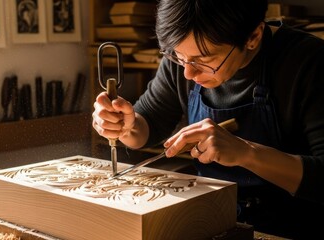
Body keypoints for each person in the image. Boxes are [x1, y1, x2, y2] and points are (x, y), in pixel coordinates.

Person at [92, 0, 324, 239]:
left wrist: (247, 153)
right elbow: (147, 125)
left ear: (253, 37)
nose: (188, 73)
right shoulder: (183, 59)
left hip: (291, 227)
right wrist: (124, 126)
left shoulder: (309, 63)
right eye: (179, 57)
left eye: (203, 60)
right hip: (211, 219)